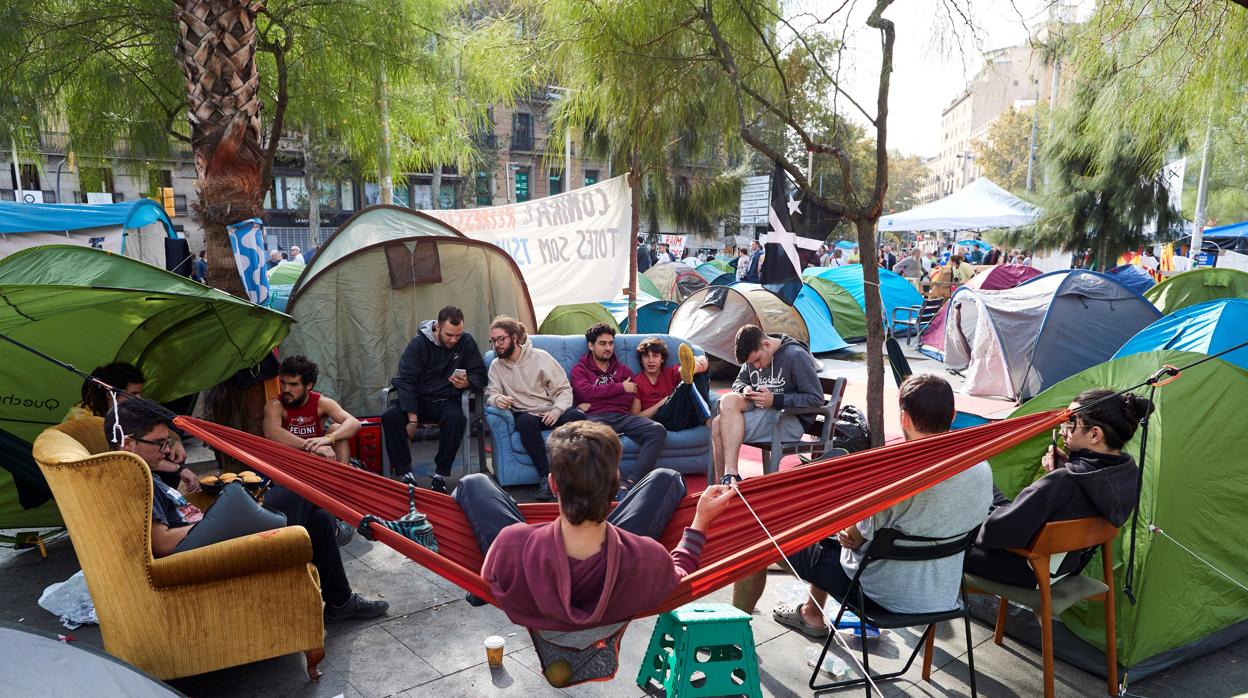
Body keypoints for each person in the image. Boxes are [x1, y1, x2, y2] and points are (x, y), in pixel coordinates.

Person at [734, 374, 994, 632]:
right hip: (942, 595)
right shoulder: (981, 467)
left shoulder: (895, 476)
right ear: (952, 416)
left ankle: (731, 636)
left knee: (757, 533)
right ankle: (811, 613)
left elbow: (853, 538)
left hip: (879, 592)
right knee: (834, 536)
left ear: (904, 418)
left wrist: (848, 529)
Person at [105, 399, 388, 622]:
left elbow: (164, 478)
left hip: (214, 539)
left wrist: (180, 470)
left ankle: (340, 602)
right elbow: (163, 543)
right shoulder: (136, 480)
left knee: (318, 519)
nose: (166, 450)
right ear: (128, 442)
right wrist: (220, 520)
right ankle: (363, 520)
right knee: (298, 481)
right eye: (160, 443)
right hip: (218, 550)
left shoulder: (140, 469)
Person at [453, 420, 735, 630]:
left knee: (472, 483)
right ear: (616, 481)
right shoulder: (647, 555)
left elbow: (488, 579)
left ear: (552, 484)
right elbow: (680, 577)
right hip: (620, 572)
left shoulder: (509, 543)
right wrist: (700, 522)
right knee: (667, 477)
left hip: (528, 573)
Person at [966, 390, 1150, 587]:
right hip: (1065, 566)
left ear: (1095, 434)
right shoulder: (1127, 474)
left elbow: (994, 533)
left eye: (1070, 422)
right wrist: (1061, 472)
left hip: (1026, 568)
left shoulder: (1063, 481)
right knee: (985, 487)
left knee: (944, 530)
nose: (1062, 430)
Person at [381, 306, 487, 493]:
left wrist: (468, 382)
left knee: (456, 418)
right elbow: (405, 381)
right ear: (437, 327)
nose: (454, 340)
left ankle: (440, 475)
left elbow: (480, 373)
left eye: (457, 335)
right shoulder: (419, 345)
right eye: (449, 335)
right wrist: (412, 418)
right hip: (418, 400)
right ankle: (406, 473)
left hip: (446, 400)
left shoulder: (466, 342)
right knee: (390, 416)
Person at [485, 316, 585, 502]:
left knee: (578, 416)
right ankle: (545, 478)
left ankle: (576, 477)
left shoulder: (540, 357)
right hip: (527, 415)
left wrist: (556, 410)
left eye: (501, 339)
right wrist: (499, 399)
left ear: (514, 337)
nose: (496, 345)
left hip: (550, 411)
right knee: (524, 421)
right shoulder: (496, 366)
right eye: (493, 340)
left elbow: (563, 388)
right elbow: (492, 393)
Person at [712, 325, 823, 485]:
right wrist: (745, 388)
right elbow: (739, 381)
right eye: (753, 363)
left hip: (788, 419)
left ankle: (728, 481)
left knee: (719, 426)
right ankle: (725, 479)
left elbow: (815, 398)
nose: (756, 366)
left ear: (766, 344)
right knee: (727, 401)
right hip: (762, 410)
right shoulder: (754, 352)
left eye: (757, 360)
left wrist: (775, 400)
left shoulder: (796, 355)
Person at [64, 362, 197, 493]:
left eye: (140, 393)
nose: (139, 399)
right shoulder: (85, 421)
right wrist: (178, 469)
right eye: (133, 394)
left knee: (170, 454)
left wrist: (176, 442)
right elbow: (118, 460)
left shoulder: (123, 412)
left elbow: (158, 430)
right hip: (99, 480)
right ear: (110, 394)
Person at [570, 324, 667, 500]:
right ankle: (617, 484)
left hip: (623, 416)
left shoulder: (622, 369)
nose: (608, 348)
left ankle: (633, 481)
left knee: (657, 430)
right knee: (603, 441)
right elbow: (585, 392)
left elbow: (629, 397)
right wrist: (620, 387)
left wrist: (598, 397)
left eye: (611, 343)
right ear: (591, 345)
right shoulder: (580, 370)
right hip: (595, 418)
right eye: (602, 343)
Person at [262, 355, 360, 464]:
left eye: (293, 384)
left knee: (336, 428)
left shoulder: (321, 403)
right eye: (283, 383)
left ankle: (343, 477)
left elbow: (354, 423)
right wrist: (312, 447)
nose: (286, 389)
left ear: (308, 385)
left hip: (316, 462)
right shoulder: (275, 405)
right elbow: (271, 433)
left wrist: (329, 438)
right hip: (288, 465)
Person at [631, 337, 711, 432]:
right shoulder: (636, 382)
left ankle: (694, 367)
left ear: (662, 359)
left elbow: (682, 370)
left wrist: (698, 364)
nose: (650, 360)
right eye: (646, 356)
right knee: (689, 379)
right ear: (641, 360)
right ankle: (709, 420)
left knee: (694, 375)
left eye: (655, 356)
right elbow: (635, 418)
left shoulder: (670, 373)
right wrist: (664, 401)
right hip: (661, 420)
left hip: (683, 416)